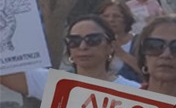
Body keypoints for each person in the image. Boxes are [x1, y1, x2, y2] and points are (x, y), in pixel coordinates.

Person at [1, 15, 140, 100]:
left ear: (111, 46)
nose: (83, 46)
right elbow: (5, 71)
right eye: (74, 41)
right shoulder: (56, 84)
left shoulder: (136, 92)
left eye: (93, 40)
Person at [96, 0, 141, 82]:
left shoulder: (138, 42)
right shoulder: (95, 42)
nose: (111, 20)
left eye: (116, 16)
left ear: (126, 19)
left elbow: (147, 71)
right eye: (106, 16)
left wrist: (121, 53)